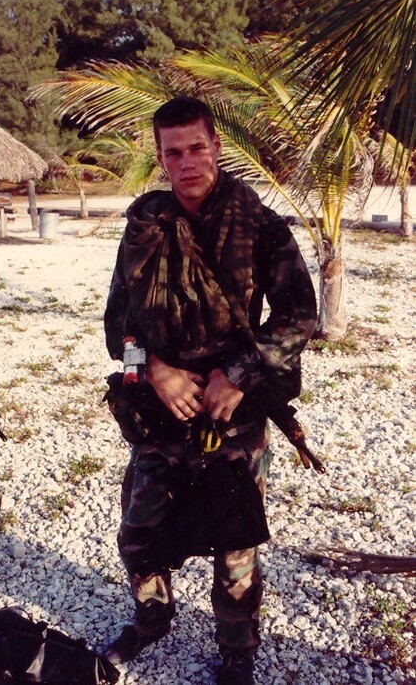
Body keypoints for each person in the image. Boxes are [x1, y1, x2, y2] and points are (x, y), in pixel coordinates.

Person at [103, 97, 317, 684]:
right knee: (139, 533)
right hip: (160, 406)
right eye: (173, 153)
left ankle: (237, 650)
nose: (187, 162)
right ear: (161, 158)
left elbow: (299, 316)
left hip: (232, 410)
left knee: (234, 543)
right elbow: (117, 325)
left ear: (215, 147)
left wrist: (237, 373)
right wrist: (154, 369)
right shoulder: (145, 229)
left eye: (197, 147)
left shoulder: (260, 226)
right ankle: (151, 619)